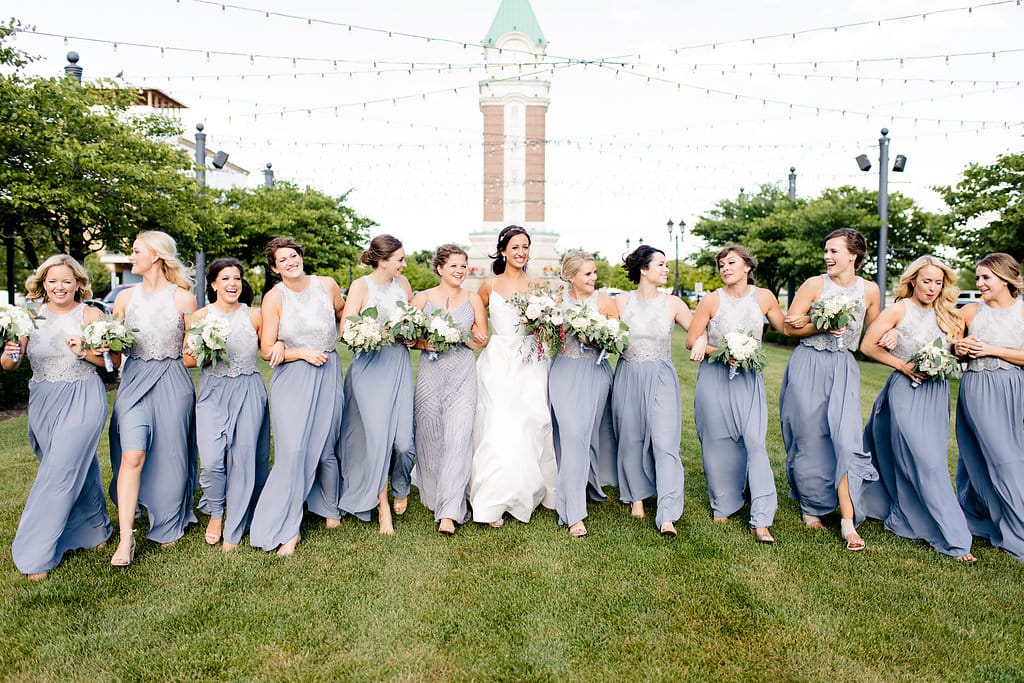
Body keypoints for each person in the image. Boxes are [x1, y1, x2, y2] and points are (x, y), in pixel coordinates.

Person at [857, 255, 976, 562]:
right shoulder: (899, 309)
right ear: (913, 281)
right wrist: (901, 364)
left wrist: (959, 350)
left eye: (938, 282)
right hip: (906, 390)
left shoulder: (949, 315)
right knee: (928, 463)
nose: (932, 288)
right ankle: (954, 537)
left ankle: (906, 514)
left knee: (930, 457)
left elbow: (955, 354)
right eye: (927, 281)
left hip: (936, 394)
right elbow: (868, 345)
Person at [2, 256, 112, 579]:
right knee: (79, 465)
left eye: (66, 281)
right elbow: (10, 364)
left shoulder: (91, 314)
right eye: (52, 281)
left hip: (83, 396)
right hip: (43, 401)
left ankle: (34, 552)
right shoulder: (29, 318)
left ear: (78, 283)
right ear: (43, 284)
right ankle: (96, 530)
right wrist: (11, 354)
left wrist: (85, 352)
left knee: (60, 471)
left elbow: (110, 362)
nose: (59, 287)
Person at [778, 228, 884, 551]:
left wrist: (889, 337)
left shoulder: (870, 290)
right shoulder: (814, 285)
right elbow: (787, 325)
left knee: (847, 440)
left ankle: (848, 521)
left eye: (834, 251)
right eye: (826, 251)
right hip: (808, 364)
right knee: (809, 438)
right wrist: (817, 324)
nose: (828, 256)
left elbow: (873, 335)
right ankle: (811, 506)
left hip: (844, 367)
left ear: (853, 255)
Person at [249, 237, 345, 557]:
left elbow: (346, 316)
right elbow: (267, 349)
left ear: (301, 256)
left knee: (326, 445)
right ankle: (288, 526)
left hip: (328, 372)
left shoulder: (327, 285)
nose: (291, 262)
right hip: (292, 378)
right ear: (275, 268)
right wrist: (296, 352)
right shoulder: (274, 298)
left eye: (294, 255)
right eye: (283, 260)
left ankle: (329, 507)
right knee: (293, 449)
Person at [108, 231, 199, 566]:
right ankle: (126, 538)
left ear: (156, 256)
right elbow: (115, 356)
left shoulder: (183, 299)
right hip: (133, 382)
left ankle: (169, 519)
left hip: (173, 382)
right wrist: (104, 348)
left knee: (172, 456)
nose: (131, 257)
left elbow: (193, 355)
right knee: (132, 455)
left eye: (136, 251)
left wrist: (197, 349)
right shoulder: (125, 299)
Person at [687, 246, 786, 543]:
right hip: (715, 378)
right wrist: (719, 351)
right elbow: (692, 339)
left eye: (731, 262)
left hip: (749, 379)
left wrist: (825, 323)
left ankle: (762, 517)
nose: (725, 268)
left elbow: (786, 328)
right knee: (717, 441)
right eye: (721, 264)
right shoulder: (711, 300)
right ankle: (723, 503)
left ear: (747, 266)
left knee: (754, 442)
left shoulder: (765, 297)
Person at [611, 245, 705, 537]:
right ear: (644, 269)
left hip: (662, 374)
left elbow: (696, 330)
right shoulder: (619, 302)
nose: (666, 269)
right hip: (628, 373)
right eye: (661, 265)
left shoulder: (674, 303)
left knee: (665, 442)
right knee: (631, 438)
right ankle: (636, 496)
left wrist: (700, 340)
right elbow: (604, 332)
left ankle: (667, 513)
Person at [469, 225, 558, 527]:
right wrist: (474, 338)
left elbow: (550, 327)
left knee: (531, 424)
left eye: (525, 247)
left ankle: (528, 490)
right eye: (516, 247)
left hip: (531, 361)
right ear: (503, 250)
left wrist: (541, 327)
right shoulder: (488, 286)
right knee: (498, 425)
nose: (521, 252)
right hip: (498, 361)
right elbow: (472, 318)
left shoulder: (538, 286)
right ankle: (493, 498)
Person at [184, 258, 270, 552]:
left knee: (242, 459)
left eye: (237, 278)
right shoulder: (199, 317)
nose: (232, 284)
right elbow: (186, 358)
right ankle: (216, 512)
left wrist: (283, 347)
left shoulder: (255, 315)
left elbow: (269, 349)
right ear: (213, 284)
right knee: (210, 461)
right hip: (213, 392)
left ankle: (234, 524)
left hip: (248, 388)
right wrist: (209, 352)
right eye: (225, 279)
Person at [338, 234, 416, 535]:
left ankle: (401, 483)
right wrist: (373, 331)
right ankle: (381, 503)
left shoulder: (404, 285)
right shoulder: (361, 286)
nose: (404, 264)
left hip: (397, 363)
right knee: (376, 438)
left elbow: (411, 322)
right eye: (400, 259)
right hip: (369, 366)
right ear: (383, 261)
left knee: (404, 441)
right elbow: (346, 328)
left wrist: (410, 335)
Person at [410, 245, 488, 535]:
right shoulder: (422, 298)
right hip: (431, 375)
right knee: (430, 436)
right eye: (454, 266)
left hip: (463, 374)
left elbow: (482, 340)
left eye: (463, 266)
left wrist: (462, 335)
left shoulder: (473, 299)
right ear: (440, 268)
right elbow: (408, 337)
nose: (459, 271)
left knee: (458, 437)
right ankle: (435, 495)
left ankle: (450, 512)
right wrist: (422, 343)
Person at [954, 253, 1024, 562]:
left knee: (999, 456)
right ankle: (1017, 530)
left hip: (1014, 388)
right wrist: (960, 348)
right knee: (1003, 458)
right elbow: (952, 346)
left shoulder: (1022, 310)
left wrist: (990, 348)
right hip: (979, 387)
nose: (979, 283)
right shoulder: (969, 312)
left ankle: (976, 516)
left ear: (1006, 279)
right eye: (978, 277)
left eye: (986, 278)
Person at [548, 250, 619, 538]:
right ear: (570, 276)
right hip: (564, 371)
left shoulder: (606, 303)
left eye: (594, 272)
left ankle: (587, 485)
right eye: (588, 273)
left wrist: (598, 338)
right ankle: (574, 512)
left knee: (587, 435)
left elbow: (617, 343)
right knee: (572, 434)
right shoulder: (554, 303)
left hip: (595, 372)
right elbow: (544, 336)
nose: (594, 278)